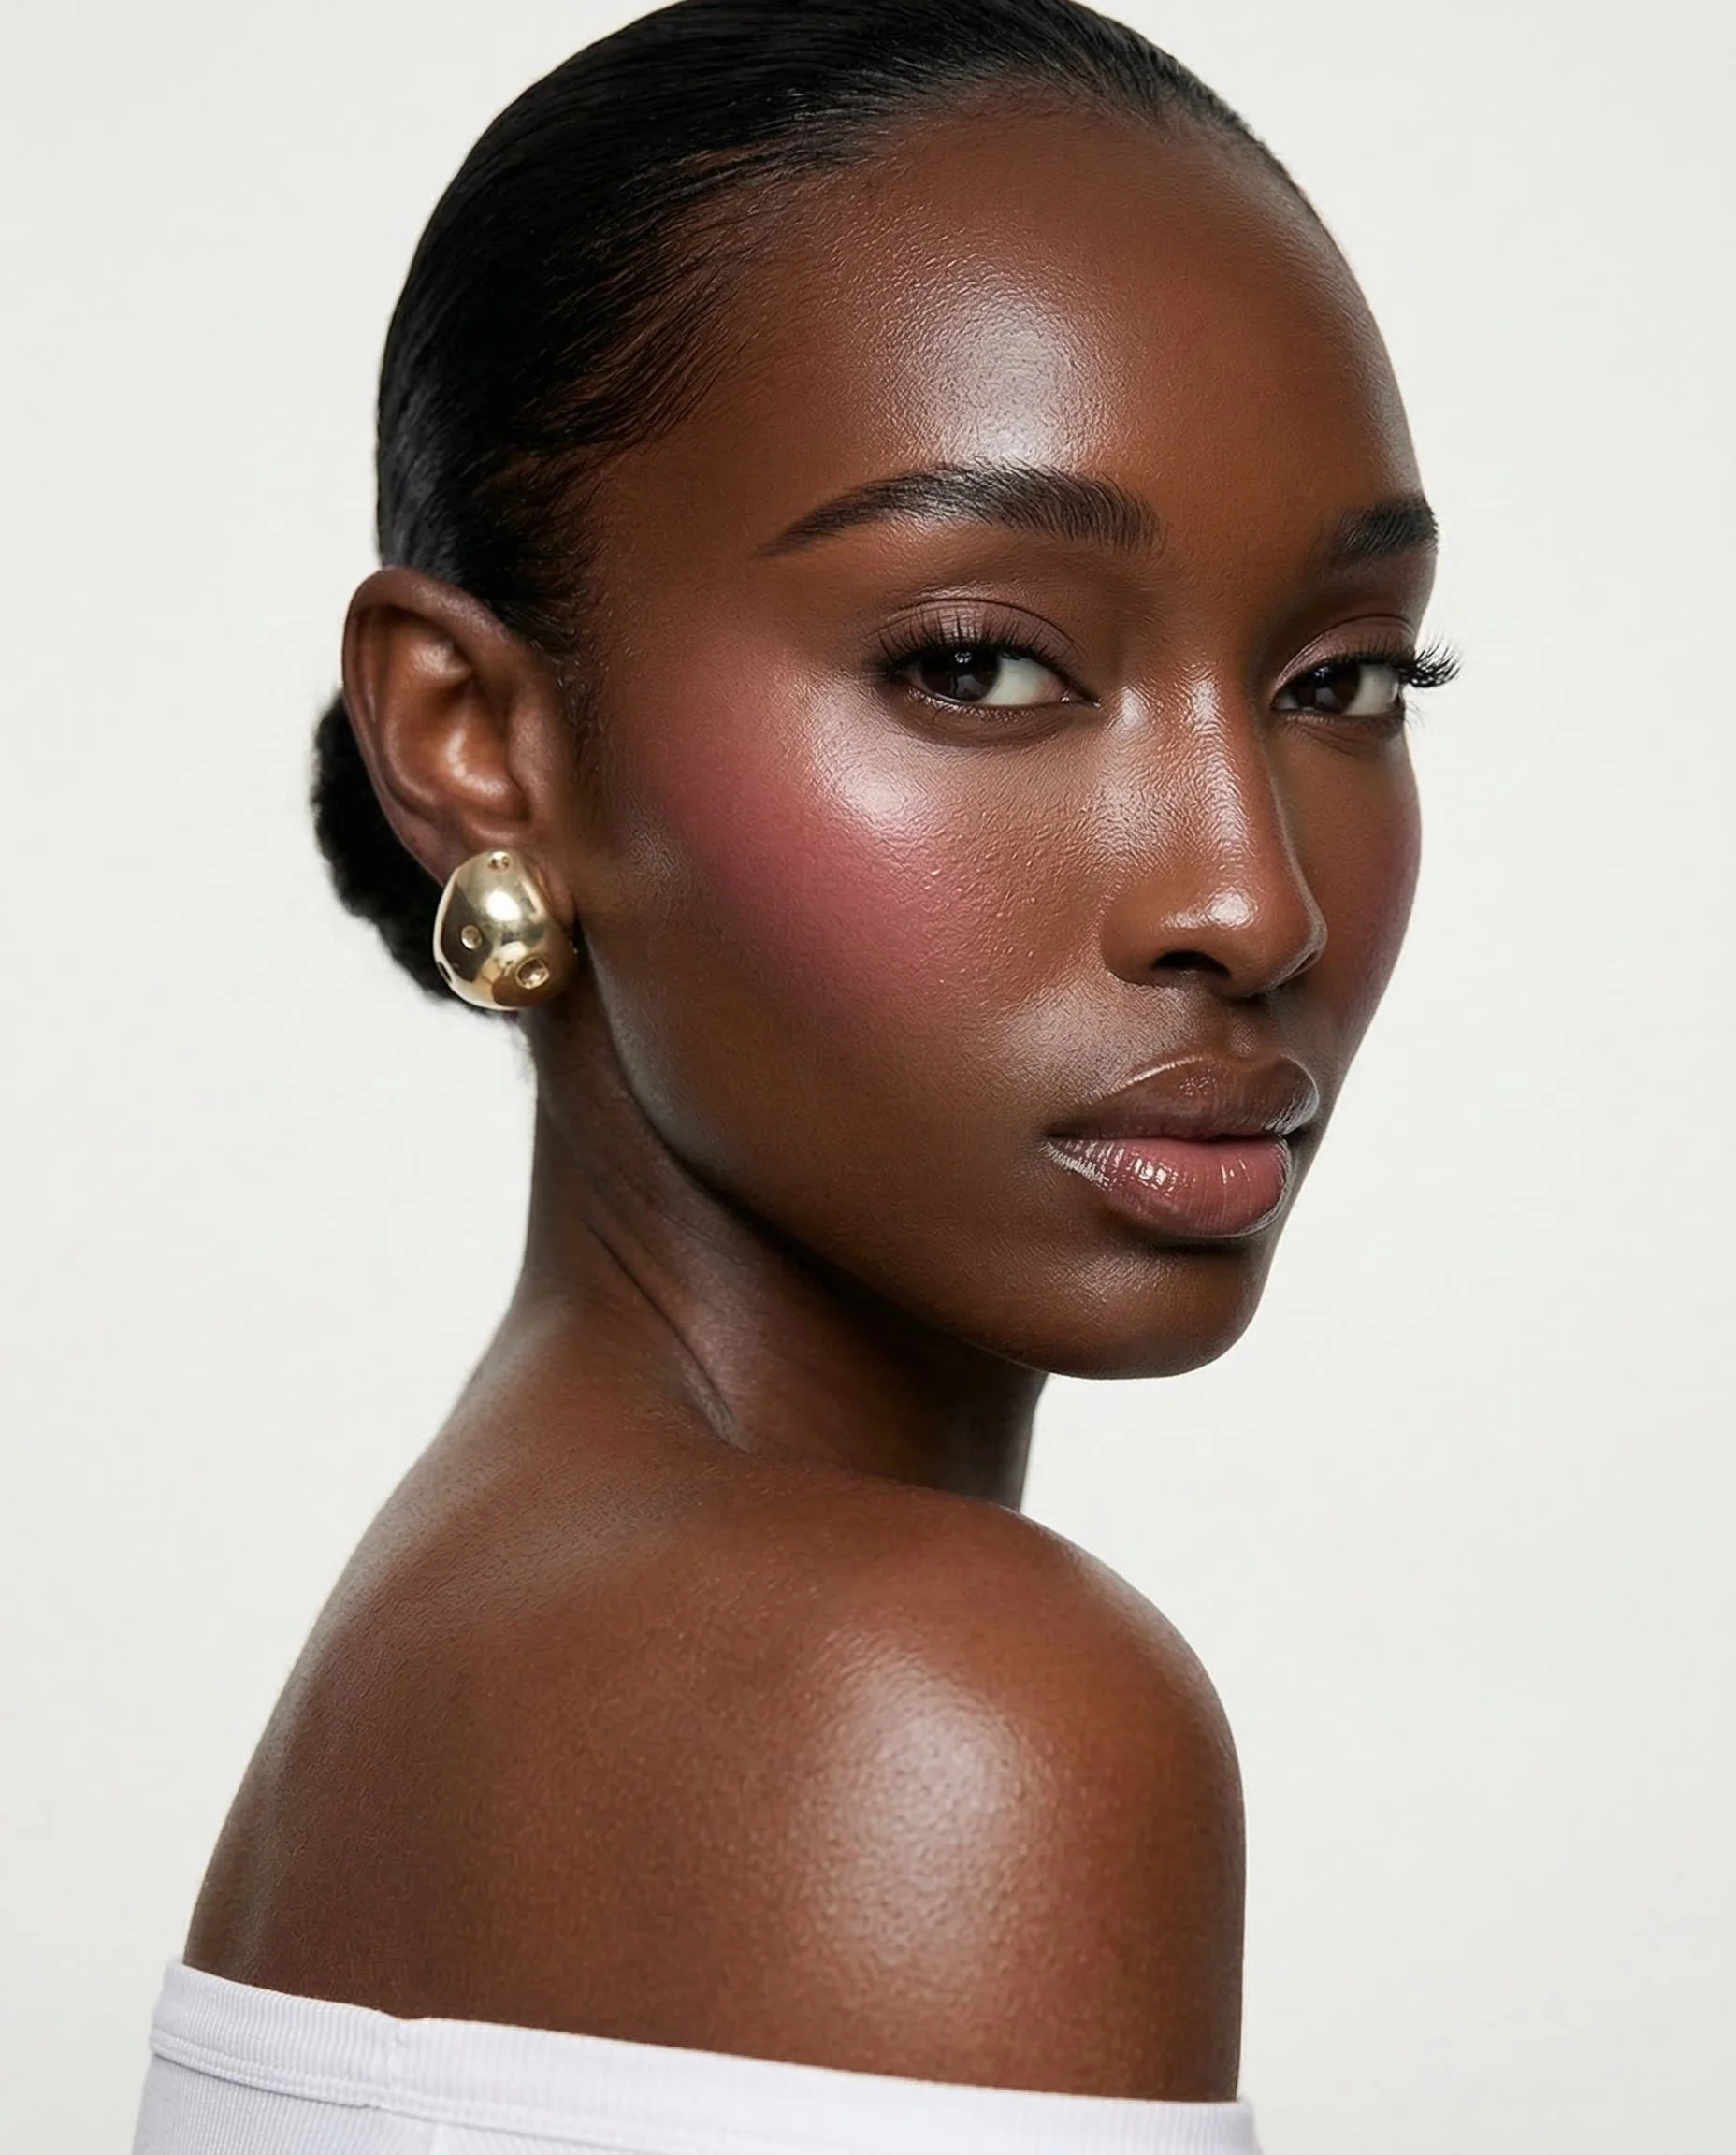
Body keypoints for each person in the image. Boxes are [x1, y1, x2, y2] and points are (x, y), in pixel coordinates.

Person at [131, 1, 1454, 2147]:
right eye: (976, 662)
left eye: (1344, 677)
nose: (1252, 896)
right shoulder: (938, 1712)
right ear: (478, 737)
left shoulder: (449, 1637)